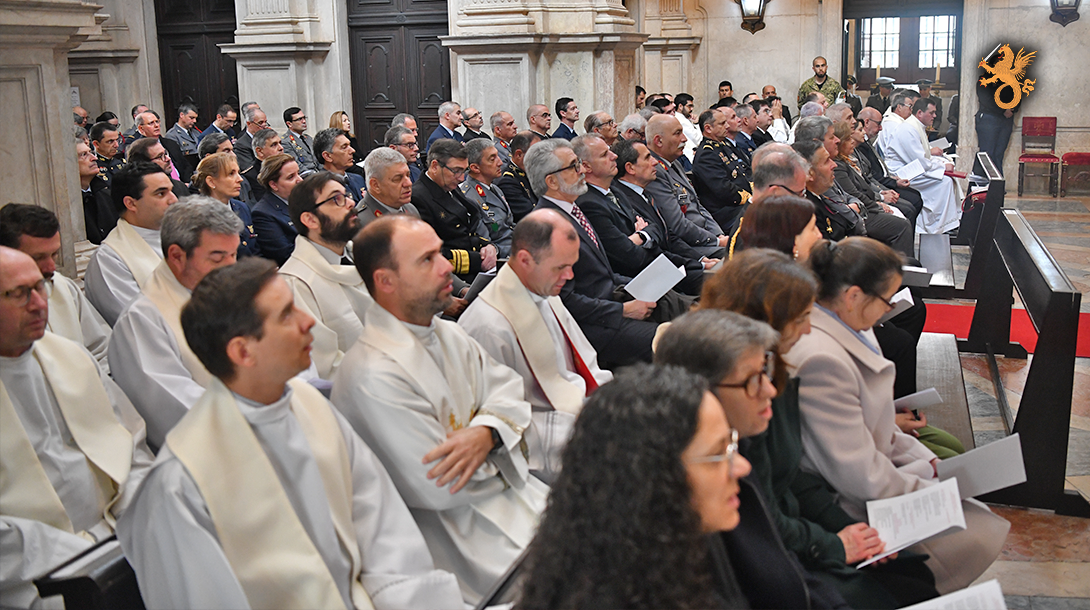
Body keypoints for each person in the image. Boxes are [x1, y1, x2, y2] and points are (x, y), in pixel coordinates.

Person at [117, 258, 463, 610]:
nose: (308, 320)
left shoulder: (311, 405)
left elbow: (384, 530)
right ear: (242, 351)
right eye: (286, 315)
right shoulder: (181, 484)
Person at [683, 253, 940, 608]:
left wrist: (847, 530)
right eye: (802, 318)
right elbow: (760, 513)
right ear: (770, 319)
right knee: (901, 590)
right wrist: (833, 544)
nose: (808, 330)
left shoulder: (772, 372)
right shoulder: (730, 390)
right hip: (770, 552)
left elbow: (795, 477)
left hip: (798, 527)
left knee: (914, 576)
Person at [332, 215, 548, 604]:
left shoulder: (447, 332)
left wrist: (487, 434)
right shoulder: (372, 374)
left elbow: (509, 390)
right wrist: (503, 430)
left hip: (520, 498)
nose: (447, 266)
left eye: (440, 254)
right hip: (462, 536)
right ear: (386, 281)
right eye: (427, 259)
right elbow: (444, 483)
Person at [789, 237, 1010, 594]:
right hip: (845, 500)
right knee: (963, 538)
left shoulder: (852, 324)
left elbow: (880, 427)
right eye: (886, 299)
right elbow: (856, 471)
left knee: (971, 517)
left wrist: (929, 463)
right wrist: (931, 491)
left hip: (875, 472)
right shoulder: (821, 360)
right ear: (853, 296)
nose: (890, 308)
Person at [518, 364, 759, 609]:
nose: (742, 467)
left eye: (731, 443)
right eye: (718, 454)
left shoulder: (676, 555)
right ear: (656, 479)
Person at [0, 247, 153, 610]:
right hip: (40, 573)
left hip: (125, 536)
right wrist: (89, 554)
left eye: (40, 287)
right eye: (19, 293)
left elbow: (131, 444)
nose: (40, 304)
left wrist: (139, 520)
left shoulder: (70, 356)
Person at [459, 210, 612, 482]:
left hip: (579, 413)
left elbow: (585, 365)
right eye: (560, 267)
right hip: (541, 442)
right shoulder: (488, 326)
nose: (569, 275)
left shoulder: (544, 290)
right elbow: (499, 418)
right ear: (525, 260)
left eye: (572, 265)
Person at [108, 197, 242, 449]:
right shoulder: (142, 321)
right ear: (177, 256)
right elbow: (174, 404)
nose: (230, 267)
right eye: (217, 258)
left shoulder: (234, 293)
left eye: (234, 255)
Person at [529, 138, 663, 367]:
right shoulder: (545, 226)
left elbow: (601, 275)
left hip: (608, 306)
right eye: (574, 166)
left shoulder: (572, 210)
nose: (582, 170)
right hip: (591, 329)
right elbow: (562, 299)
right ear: (551, 181)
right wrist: (622, 310)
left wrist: (641, 286)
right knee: (675, 343)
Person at [280, 172, 371, 380]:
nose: (351, 203)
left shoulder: (362, 254)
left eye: (346, 195)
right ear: (310, 219)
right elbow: (325, 364)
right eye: (336, 199)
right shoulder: (295, 283)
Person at [1, 204, 111, 373]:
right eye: (38, 257)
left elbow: (101, 348)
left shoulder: (62, 286)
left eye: (54, 254)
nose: (51, 267)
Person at [600, 136, 714, 292]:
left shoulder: (643, 192)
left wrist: (701, 260)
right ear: (630, 168)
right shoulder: (625, 197)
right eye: (647, 158)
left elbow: (666, 234)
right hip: (655, 272)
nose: (655, 162)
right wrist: (698, 265)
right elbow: (653, 245)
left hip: (674, 261)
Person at [85, 162, 179, 326]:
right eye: (161, 193)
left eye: (171, 191)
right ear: (131, 203)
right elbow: (138, 322)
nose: (174, 199)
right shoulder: (110, 260)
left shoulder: (182, 237)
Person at [645, 114, 728, 258]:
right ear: (658, 141)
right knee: (740, 254)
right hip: (687, 246)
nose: (684, 139)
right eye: (677, 133)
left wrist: (718, 235)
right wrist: (716, 241)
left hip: (704, 238)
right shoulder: (654, 171)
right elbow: (677, 224)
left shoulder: (674, 163)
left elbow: (698, 206)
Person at [413, 139, 497, 280]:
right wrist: (479, 260)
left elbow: (470, 226)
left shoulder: (448, 185)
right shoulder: (419, 197)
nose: (461, 178)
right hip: (453, 276)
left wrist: (488, 247)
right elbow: (431, 253)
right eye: (456, 171)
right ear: (435, 166)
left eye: (464, 171)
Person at [830, 118, 914, 257]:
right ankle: (901, 266)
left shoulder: (846, 160)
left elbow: (865, 183)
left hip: (865, 205)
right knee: (901, 225)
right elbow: (853, 193)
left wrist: (880, 197)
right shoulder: (838, 166)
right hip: (858, 213)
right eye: (848, 139)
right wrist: (878, 204)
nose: (852, 142)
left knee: (907, 209)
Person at [882, 98, 961, 234]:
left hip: (911, 167)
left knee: (948, 180)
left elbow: (923, 156)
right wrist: (942, 167)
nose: (934, 116)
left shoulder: (915, 127)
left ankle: (946, 223)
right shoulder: (908, 129)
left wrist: (941, 164)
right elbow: (920, 161)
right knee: (945, 182)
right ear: (919, 113)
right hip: (900, 173)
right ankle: (937, 225)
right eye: (931, 113)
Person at [855, 107, 925, 224]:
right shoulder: (859, 146)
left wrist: (892, 180)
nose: (881, 128)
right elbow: (867, 178)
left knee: (915, 197)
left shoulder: (865, 142)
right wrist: (883, 193)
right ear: (867, 122)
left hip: (879, 185)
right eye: (878, 124)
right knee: (909, 206)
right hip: (872, 192)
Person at [692, 109, 754, 235]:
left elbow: (744, 171)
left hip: (738, 205)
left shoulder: (723, 145)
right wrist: (750, 197)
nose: (727, 126)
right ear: (708, 128)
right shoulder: (706, 154)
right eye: (722, 123)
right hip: (726, 211)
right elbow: (722, 188)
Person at [193, 152, 262, 257]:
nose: (240, 179)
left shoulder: (242, 208)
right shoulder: (200, 218)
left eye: (238, 173)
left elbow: (255, 250)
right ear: (211, 182)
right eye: (231, 174)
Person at [459, 138, 515, 257]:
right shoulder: (469, 198)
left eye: (498, 156)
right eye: (492, 159)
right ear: (475, 168)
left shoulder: (495, 189)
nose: (500, 162)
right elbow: (485, 244)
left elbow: (509, 226)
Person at [252, 153, 304, 265]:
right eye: (291, 177)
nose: (300, 180)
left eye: (298, 173)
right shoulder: (262, 214)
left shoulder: (304, 201)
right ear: (274, 185)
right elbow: (285, 254)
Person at [359, 146, 419, 228]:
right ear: (375, 185)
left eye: (408, 175)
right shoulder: (361, 222)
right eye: (397, 179)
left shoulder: (410, 209)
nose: (408, 183)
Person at [495, 131, 543, 221]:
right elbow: (530, 214)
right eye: (536, 154)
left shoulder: (533, 172)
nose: (541, 158)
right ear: (519, 155)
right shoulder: (508, 182)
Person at [314, 128, 367, 205]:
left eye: (350, 145)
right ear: (328, 156)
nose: (352, 150)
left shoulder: (358, 179)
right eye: (344, 147)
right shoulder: (320, 187)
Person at [240, 128, 285, 203]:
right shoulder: (250, 177)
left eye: (280, 143)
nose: (281, 148)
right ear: (260, 151)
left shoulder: (284, 169)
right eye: (274, 145)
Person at [283, 106, 318, 173]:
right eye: (299, 119)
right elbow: (296, 164)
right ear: (289, 124)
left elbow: (318, 160)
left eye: (304, 118)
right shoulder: (285, 142)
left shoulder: (308, 138)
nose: (304, 121)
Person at [90, 121, 124, 188]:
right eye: (110, 141)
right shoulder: (93, 167)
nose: (116, 145)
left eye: (117, 140)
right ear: (96, 144)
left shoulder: (121, 163)